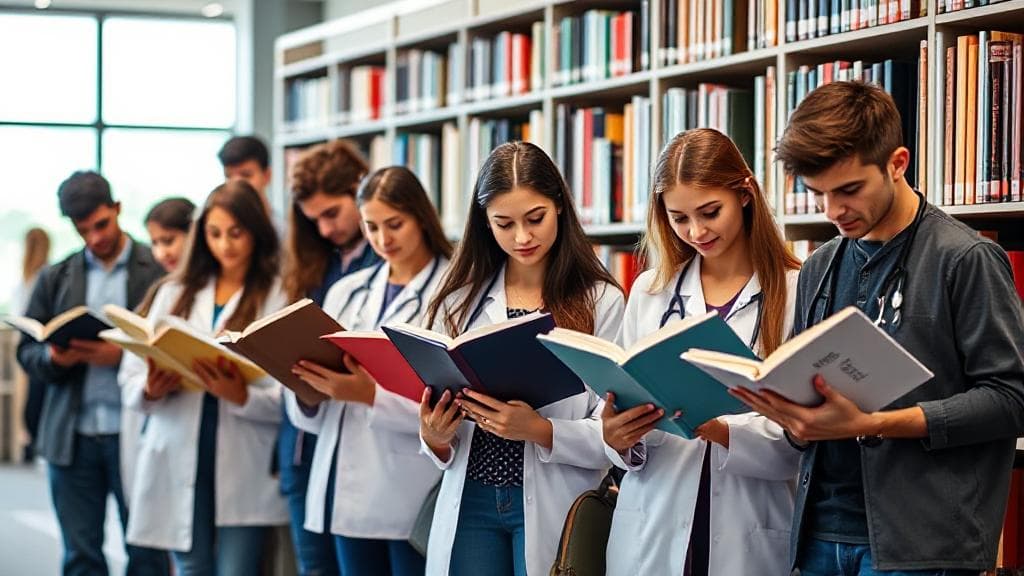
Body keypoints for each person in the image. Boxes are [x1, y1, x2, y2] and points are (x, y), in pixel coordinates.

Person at [736, 80, 1024, 575]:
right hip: (818, 533)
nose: (832, 212)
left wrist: (872, 424)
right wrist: (790, 416)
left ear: (897, 163)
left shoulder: (965, 258)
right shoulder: (819, 266)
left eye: (849, 190)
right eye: (818, 194)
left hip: (921, 543)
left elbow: (1010, 399)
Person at [601, 128, 802, 576]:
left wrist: (718, 427)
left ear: (745, 193)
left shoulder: (794, 291)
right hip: (652, 527)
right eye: (679, 218)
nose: (696, 231)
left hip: (749, 530)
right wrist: (616, 436)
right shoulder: (651, 294)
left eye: (711, 212)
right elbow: (618, 420)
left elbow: (800, 437)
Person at [419, 141, 625, 576]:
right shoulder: (457, 302)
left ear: (560, 209)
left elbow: (613, 432)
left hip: (556, 495)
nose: (522, 237)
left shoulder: (601, 301)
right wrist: (434, 435)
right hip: (470, 495)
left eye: (535, 219)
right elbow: (434, 410)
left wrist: (539, 430)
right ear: (483, 224)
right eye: (504, 224)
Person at [285, 166, 453, 575]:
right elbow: (311, 413)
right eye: (372, 227)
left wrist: (368, 395)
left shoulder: (453, 292)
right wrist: (308, 389)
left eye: (395, 224)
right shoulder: (348, 289)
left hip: (410, 482)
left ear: (421, 217)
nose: (383, 240)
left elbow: (452, 404)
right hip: (346, 487)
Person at [121, 180, 289, 576]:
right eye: (214, 234)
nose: (225, 245)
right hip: (179, 442)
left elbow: (291, 392)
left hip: (242, 450)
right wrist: (149, 389)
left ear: (256, 233)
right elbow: (129, 376)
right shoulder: (173, 292)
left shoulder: (277, 295)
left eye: (236, 233)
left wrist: (241, 396)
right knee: (191, 567)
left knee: (237, 570)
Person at [15, 171, 168, 576]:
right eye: (84, 230)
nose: (95, 238)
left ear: (117, 210)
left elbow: (176, 346)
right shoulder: (56, 276)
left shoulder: (156, 271)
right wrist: (54, 360)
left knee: (148, 553)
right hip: (73, 434)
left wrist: (120, 357)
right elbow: (27, 351)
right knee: (80, 556)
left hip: (137, 431)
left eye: (102, 224)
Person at [279, 139, 381, 575]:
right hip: (302, 448)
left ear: (360, 191)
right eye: (312, 220)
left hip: (366, 447)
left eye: (331, 214)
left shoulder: (386, 261)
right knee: (315, 568)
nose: (323, 230)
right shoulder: (314, 266)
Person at [13, 226, 50, 462]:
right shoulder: (44, 276)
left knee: (31, 399)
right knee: (37, 400)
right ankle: (35, 442)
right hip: (36, 346)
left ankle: (32, 441)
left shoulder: (37, 278)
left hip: (31, 345)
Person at [218, 135, 272, 213]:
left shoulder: (285, 224)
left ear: (267, 176)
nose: (236, 184)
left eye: (246, 175)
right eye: (228, 176)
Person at [144, 197, 196, 273]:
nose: (160, 254)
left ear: (193, 234)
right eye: (154, 243)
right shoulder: (162, 282)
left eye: (168, 241)